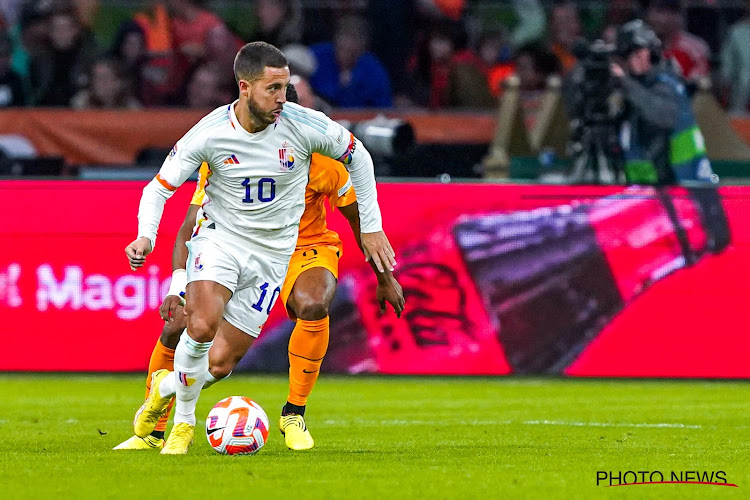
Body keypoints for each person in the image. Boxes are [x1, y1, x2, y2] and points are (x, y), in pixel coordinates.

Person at [124, 41, 395, 455]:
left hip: (283, 252)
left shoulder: (312, 139)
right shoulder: (212, 136)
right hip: (223, 242)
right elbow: (169, 201)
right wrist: (164, 263)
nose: (282, 101)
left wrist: (378, 249)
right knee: (195, 325)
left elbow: (359, 175)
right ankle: (173, 427)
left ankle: (173, 389)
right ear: (245, 87)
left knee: (220, 364)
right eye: (274, 90)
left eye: (286, 90)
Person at [612, 20, 714, 184]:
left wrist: (625, 84)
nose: (624, 63)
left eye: (627, 55)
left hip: (684, 188)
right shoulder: (637, 89)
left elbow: (663, 116)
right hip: (652, 189)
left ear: (645, 53)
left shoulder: (667, 83)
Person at [309, 15, 392, 108]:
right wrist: (338, 85)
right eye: (341, 49)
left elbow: (383, 107)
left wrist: (352, 84)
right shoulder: (316, 57)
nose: (344, 56)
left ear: (362, 49)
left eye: (351, 52)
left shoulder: (374, 69)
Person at [646, 0, 709, 82]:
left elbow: (701, 82)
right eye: (660, 11)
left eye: (671, 12)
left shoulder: (695, 48)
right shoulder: (638, 47)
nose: (663, 19)